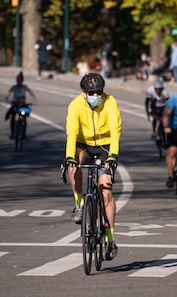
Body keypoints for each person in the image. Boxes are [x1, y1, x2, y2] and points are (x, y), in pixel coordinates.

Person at [64, 73, 121, 259]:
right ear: (83, 92)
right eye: (91, 93)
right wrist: (69, 157)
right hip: (83, 145)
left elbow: (115, 130)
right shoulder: (75, 105)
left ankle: (110, 239)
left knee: (106, 191)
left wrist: (113, 155)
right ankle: (79, 203)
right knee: (74, 166)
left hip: (105, 146)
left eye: (99, 92)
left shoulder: (110, 102)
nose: (96, 96)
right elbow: (71, 133)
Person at [5, 71, 38, 139]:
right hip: (15, 104)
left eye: (19, 80)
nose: (18, 81)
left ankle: (23, 133)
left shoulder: (25, 87)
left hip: (23, 104)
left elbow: (31, 93)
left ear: (22, 81)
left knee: (24, 117)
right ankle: (12, 133)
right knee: (12, 116)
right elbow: (9, 92)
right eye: (17, 80)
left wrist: (34, 100)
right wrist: (7, 97)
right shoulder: (14, 87)